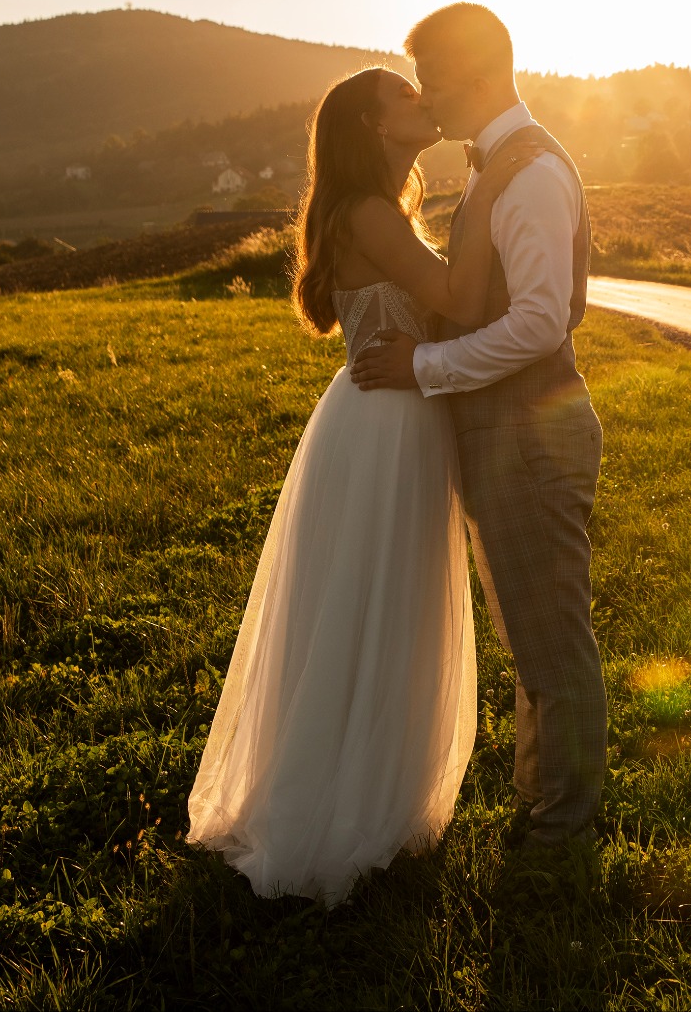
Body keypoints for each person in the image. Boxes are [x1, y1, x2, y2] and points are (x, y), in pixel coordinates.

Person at [186, 65, 535, 902]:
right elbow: (456, 293)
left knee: (378, 598)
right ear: (374, 128)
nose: (424, 100)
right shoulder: (371, 214)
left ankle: (366, 777)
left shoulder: (380, 209)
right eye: (406, 97)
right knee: (377, 600)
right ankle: (340, 805)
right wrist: (486, 196)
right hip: (386, 424)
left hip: (385, 414)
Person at [350, 2, 606, 854]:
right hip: (508, 437)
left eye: (431, 74)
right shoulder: (501, 162)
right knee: (531, 633)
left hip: (528, 439)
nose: (425, 92)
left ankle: (562, 827)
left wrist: (423, 369)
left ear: (478, 72)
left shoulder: (528, 171)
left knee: (550, 636)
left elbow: (539, 322)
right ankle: (545, 803)